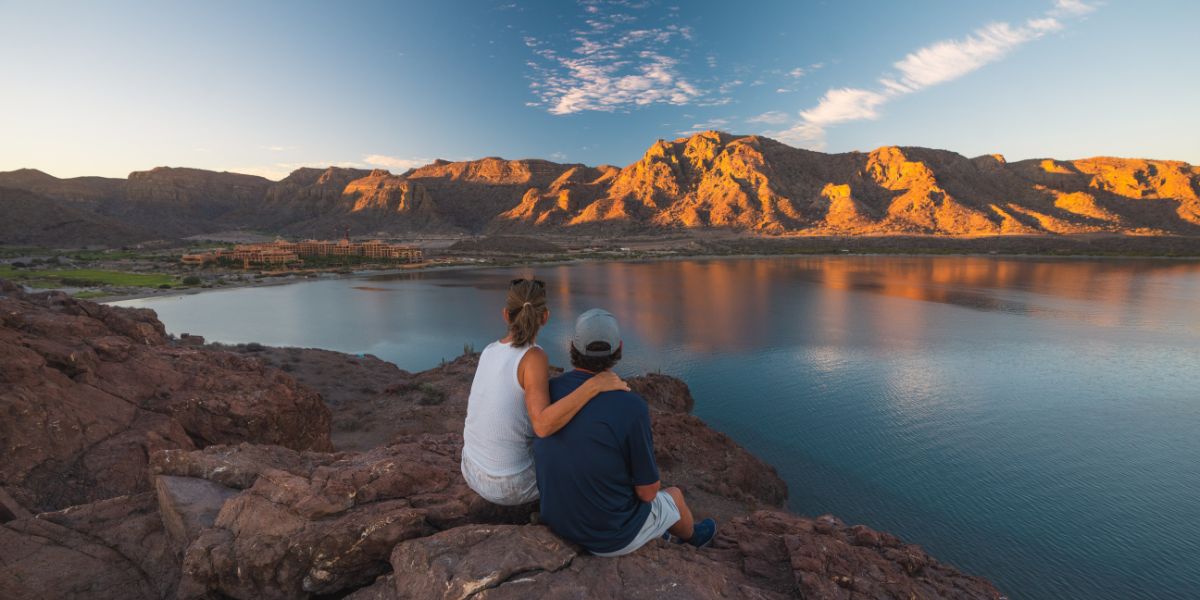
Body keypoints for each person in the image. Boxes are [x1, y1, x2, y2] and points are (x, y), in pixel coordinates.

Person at [533, 308, 717, 556]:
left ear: (573, 348)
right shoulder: (630, 406)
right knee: (673, 496)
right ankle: (695, 539)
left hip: (557, 521)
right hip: (608, 538)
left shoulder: (548, 391)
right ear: (618, 348)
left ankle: (655, 529)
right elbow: (648, 492)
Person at [461, 278, 629, 506]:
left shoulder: (490, 351)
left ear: (505, 314)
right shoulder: (533, 357)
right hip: (509, 485)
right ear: (545, 317)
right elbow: (542, 425)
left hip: (470, 468)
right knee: (583, 452)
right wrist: (595, 384)